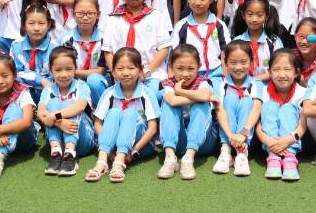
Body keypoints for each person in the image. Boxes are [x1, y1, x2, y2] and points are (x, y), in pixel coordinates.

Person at [85, 47, 159, 183]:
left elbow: (153, 128)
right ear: (113, 72)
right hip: (112, 147)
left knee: (129, 112)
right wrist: (109, 153)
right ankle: (102, 161)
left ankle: (119, 163)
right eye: (120, 69)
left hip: (141, 147)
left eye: (131, 68)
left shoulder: (146, 93)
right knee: (113, 112)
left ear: (140, 70)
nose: (125, 73)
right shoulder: (109, 93)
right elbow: (98, 123)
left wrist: (134, 151)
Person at [101, 0, 173, 96]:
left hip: (151, 73)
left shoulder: (155, 16)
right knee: (98, 84)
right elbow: (108, 51)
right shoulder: (113, 19)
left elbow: (164, 49)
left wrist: (147, 72)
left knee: (152, 93)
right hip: (122, 74)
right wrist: (116, 72)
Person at [157, 44, 219, 180]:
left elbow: (204, 95)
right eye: (180, 68)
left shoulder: (203, 82)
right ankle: (170, 157)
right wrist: (201, 97)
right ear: (171, 66)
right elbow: (173, 101)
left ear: (199, 66)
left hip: (203, 143)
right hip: (178, 142)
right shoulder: (168, 83)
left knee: (200, 105)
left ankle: (188, 158)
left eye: (191, 69)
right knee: (169, 105)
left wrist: (180, 91)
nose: (185, 74)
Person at [36, 47, 96, 177]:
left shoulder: (81, 86)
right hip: (58, 139)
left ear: (75, 68)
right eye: (58, 70)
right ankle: (56, 153)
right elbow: (41, 113)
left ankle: (70, 154)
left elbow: (79, 107)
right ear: (51, 70)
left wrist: (54, 117)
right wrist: (58, 123)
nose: (64, 74)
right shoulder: (48, 90)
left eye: (69, 69)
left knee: (69, 104)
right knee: (52, 103)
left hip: (83, 141)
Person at [254, 49, 308, 181]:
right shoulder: (263, 91)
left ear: (296, 72)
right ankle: (273, 157)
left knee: (287, 108)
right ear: (269, 72)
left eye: (287, 69)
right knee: (270, 106)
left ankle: (290, 157)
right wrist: (269, 141)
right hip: (269, 142)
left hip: (292, 140)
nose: (282, 74)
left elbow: (303, 125)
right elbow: (258, 123)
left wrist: (289, 140)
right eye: (276, 69)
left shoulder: (302, 93)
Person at [212, 41, 261, 176]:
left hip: (247, 136)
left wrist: (242, 134)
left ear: (251, 62)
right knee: (229, 100)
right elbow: (219, 111)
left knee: (246, 101)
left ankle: (242, 154)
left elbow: (256, 110)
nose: (238, 67)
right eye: (233, 62)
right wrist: (231, 136)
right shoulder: (220, 84)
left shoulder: (256, 83)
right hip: (226, 135)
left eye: (243, 62)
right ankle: (225, 150)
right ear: (225, 63)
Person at [171, 0, 230, 83]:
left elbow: (225, 51)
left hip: (216, 74)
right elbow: (174, 53)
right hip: (189, 76)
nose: (197, 2)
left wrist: (226, 76)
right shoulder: (181, 26)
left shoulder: (219, 25)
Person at [59, 0, 109, 105]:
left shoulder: (104, 39)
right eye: (80, 13)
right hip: (72, 82)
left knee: (94, 80)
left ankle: (102, 110)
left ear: (98, 15)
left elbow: (102, 70)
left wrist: (74, 72)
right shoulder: (66, 40)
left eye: (90, 13)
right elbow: (61, 68)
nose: (85, 18)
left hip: (98, 84)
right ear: (73, 14)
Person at [229, 0, 284, 81]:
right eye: (250, 14)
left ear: (267, 16)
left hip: (267, 86)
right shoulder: (237, 41)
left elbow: (280, 68)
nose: (254, 19)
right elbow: (231, 67)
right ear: (243, 15)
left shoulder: (274, 42)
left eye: (259, 15)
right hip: (242, 85)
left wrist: (254, 80)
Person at [9, 3, 54, 100]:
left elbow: (54, 77)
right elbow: (15, 73)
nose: (36, 28)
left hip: (49, 94)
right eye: (31, 23)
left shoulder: (55, 48)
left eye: (41, 23)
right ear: (24, 25)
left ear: (48, 25)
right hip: (22, 94)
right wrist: (40, 80)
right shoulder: (16, 46)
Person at [293, 17, 316, 87]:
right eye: (300, 36)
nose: (304, 42)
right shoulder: (288, 57)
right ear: (295, 37)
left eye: (310, 38)